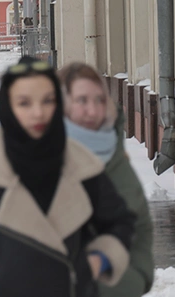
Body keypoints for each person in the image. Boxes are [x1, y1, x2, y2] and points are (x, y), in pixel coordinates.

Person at [0, 56, 135, 297]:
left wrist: (98, 260)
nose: (38, 113)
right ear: (7, 107)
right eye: (24, 103)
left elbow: (120, 223)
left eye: (48, 101)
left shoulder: (83, 166)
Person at [60, 63, 155, 297]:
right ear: (63, 104)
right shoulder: (41, 157)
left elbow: (140, 229)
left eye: (99, 100)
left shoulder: (115, 158)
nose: (93, 111)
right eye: (82, 100)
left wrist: (135, 277)